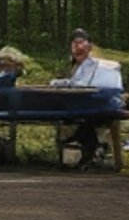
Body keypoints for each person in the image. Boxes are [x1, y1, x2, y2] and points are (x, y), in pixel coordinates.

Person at [51, 28, 123, 169]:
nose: (77, 47)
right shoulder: (76, 66)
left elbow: (84, 85)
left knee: (84, 118)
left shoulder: (97, 65)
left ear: (89, 46)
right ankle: (91, 150)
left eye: (81, 43)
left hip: (101, 105)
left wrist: (60, 83)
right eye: (74, 44)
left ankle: (91, 150)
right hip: (85, 105)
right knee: (76, 118)